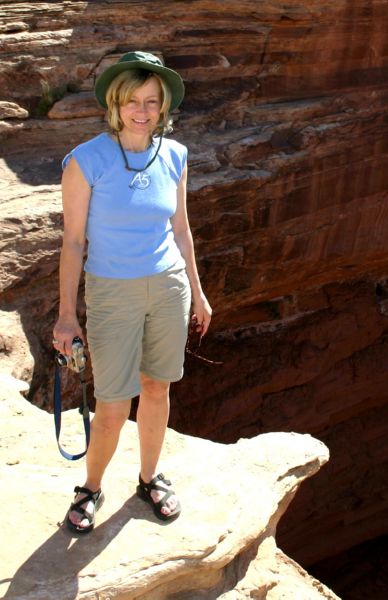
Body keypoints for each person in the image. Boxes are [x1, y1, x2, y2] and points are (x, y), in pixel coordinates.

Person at [52, 51, 212, 534]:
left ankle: (149, 478)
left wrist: (198, 292)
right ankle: (90, 488)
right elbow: (73, 242)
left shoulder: (176, 155)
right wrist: (66, 315)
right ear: (115, 105)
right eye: (131, 101)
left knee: (157, 387)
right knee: (113, 403)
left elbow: (181, 230)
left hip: (168, 287)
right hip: (112, 293)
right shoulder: (86, 161)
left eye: (151, 101)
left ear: (163, 107)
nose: (141, 111)